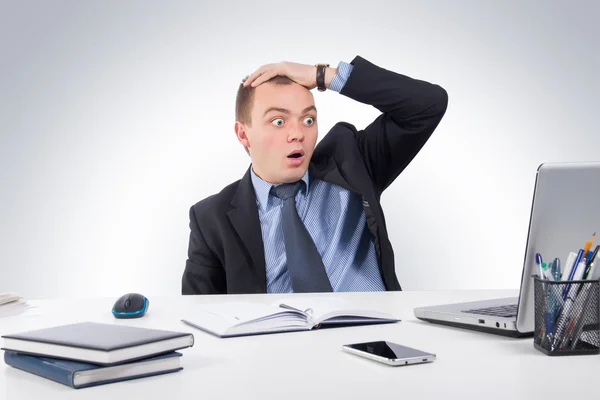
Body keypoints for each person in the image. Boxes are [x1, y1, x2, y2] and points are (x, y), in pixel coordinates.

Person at [182, 55, 448, 295]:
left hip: (373, 337)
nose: (297, 133)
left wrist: (321, 76)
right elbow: (200, 319)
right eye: (278, 121)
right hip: (278, 345)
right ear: (243, 134)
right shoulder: (210, 219)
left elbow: (427, 104)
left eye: (308, 120)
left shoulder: (353, 162)